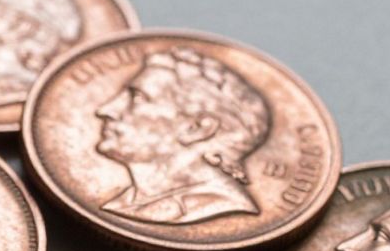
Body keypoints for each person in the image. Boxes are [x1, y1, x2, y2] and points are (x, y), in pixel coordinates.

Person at [94, 46, 271, 225]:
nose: (106, 110)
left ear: (196, 129)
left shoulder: (218, 209)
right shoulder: (126, 202)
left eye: (138, 97)